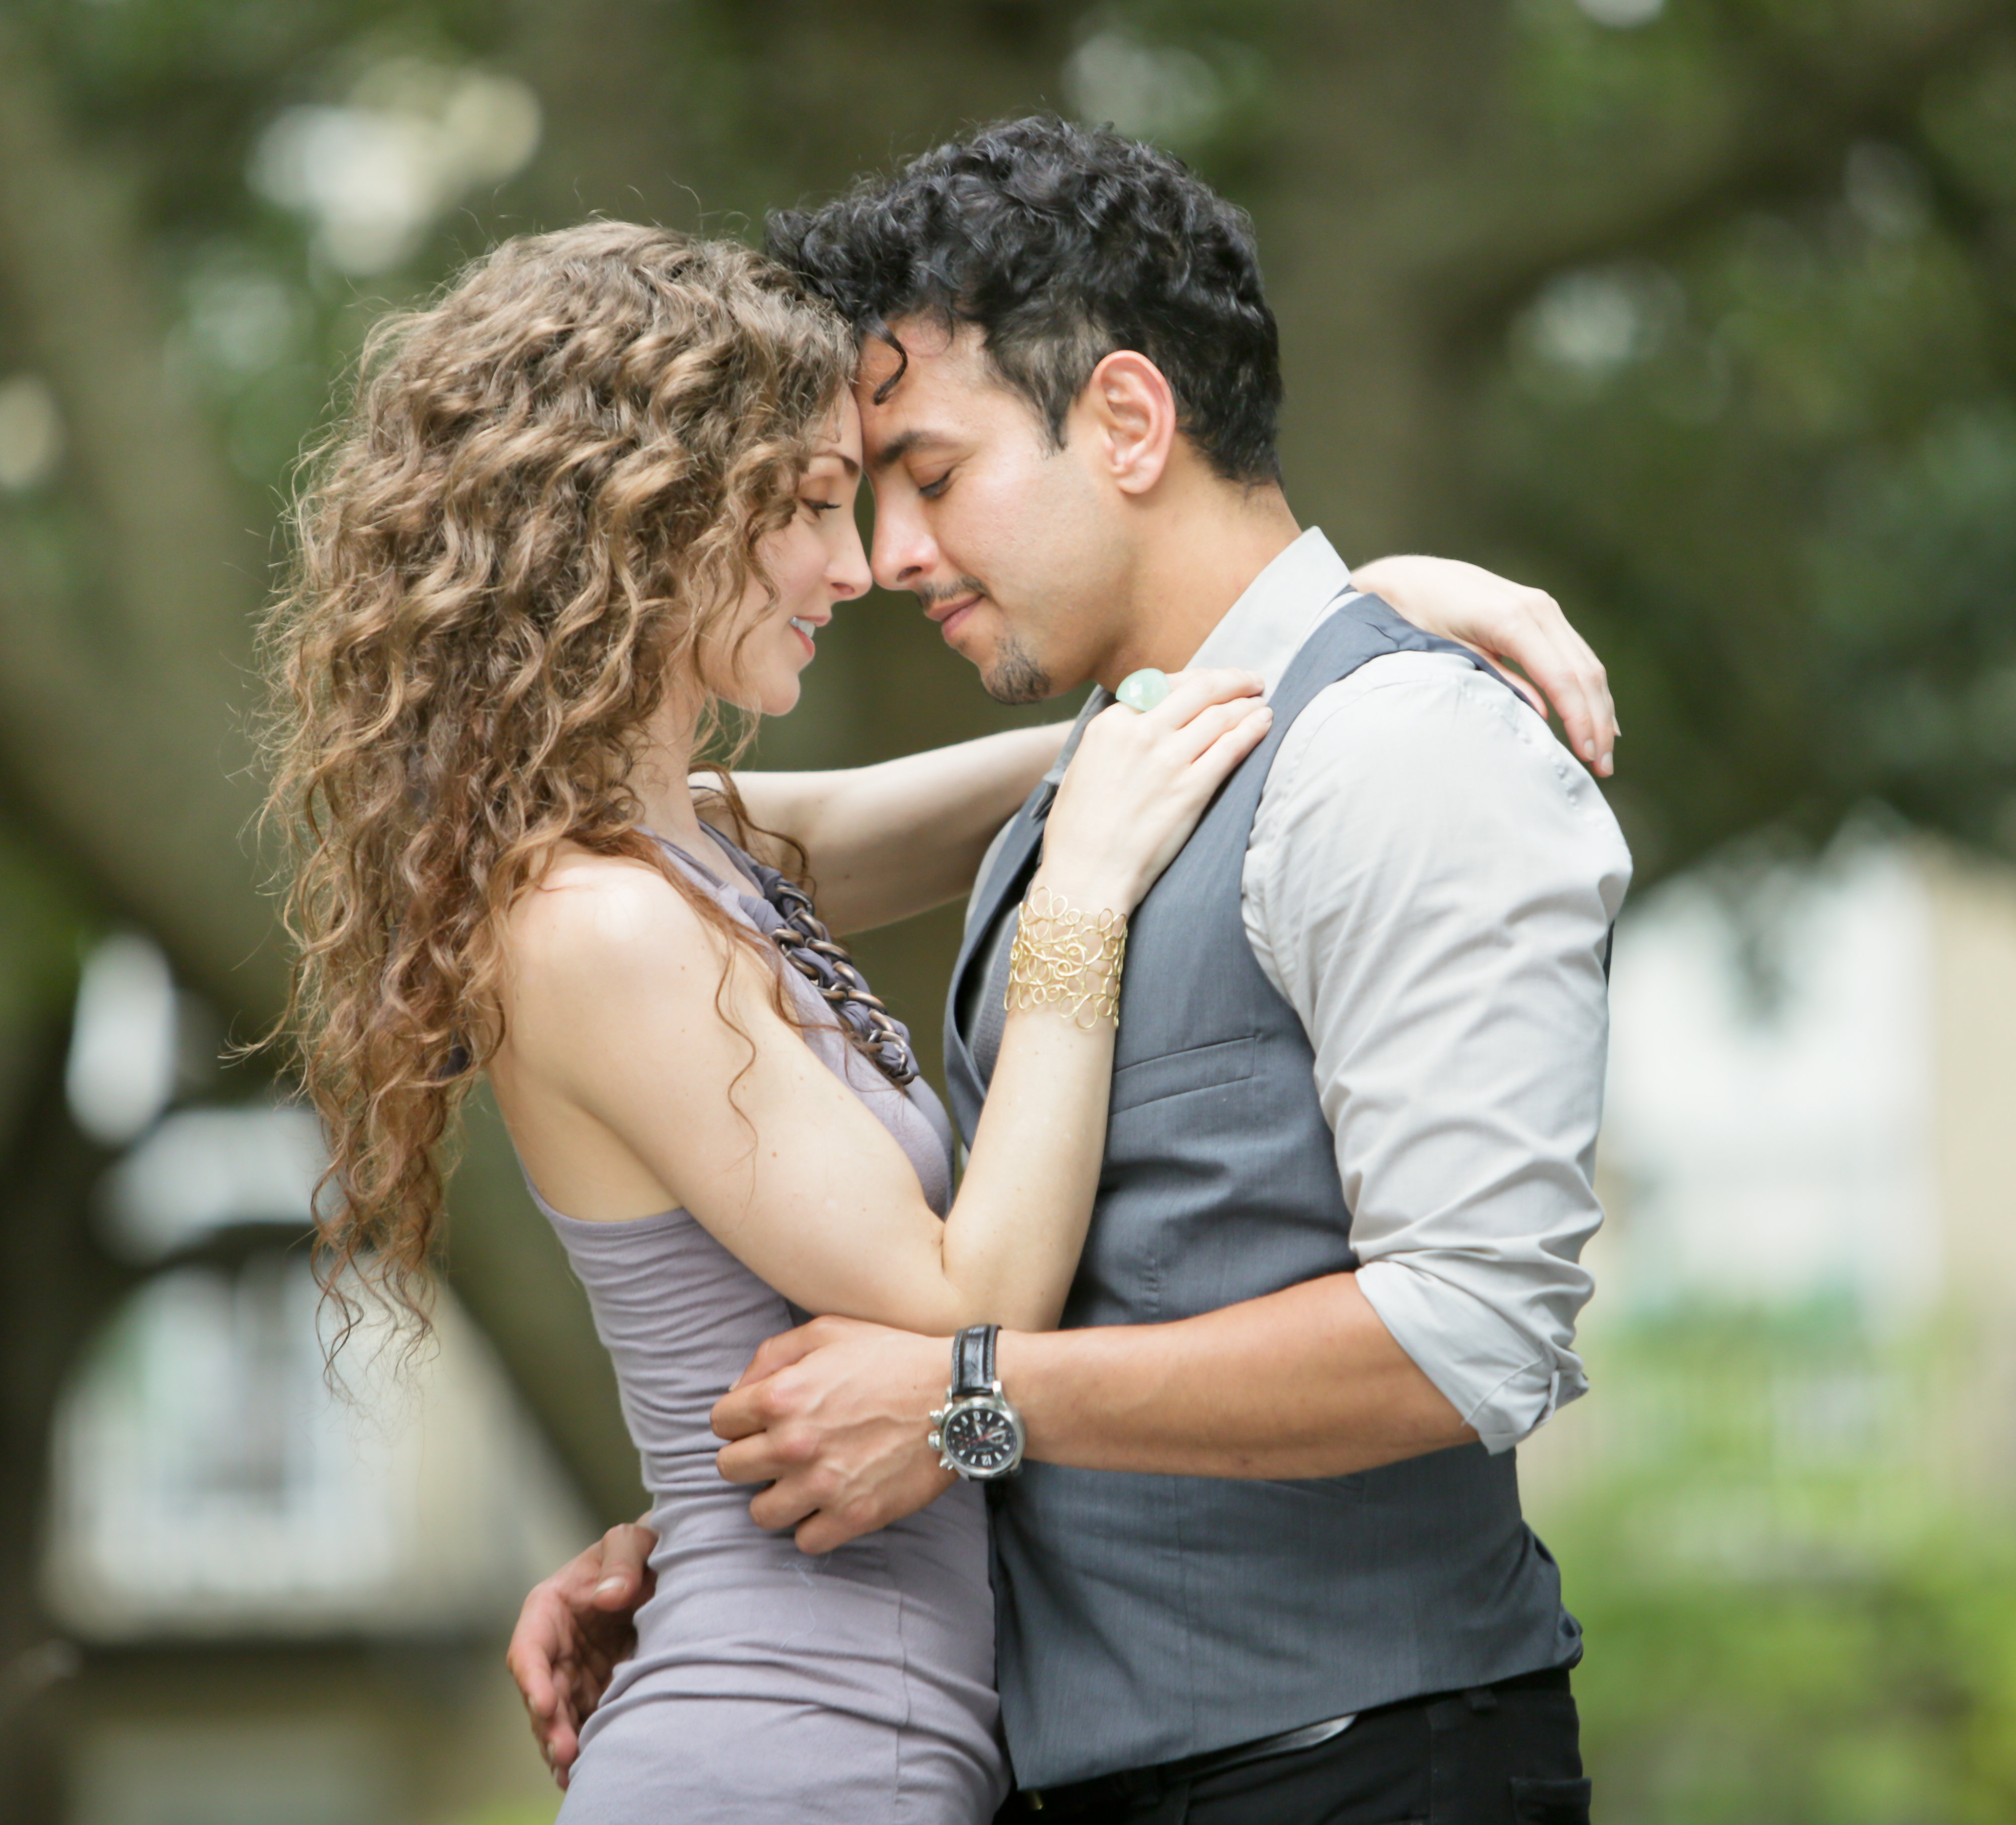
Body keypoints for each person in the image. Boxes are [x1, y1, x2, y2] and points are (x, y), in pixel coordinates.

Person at [509, 122, 1630, 1824]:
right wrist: (729, 1532)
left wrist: (964, 1406)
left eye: (932, 476)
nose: (885, 554)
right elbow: (1112, 1291)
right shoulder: (1096, 786)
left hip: (1361, 1777)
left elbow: (1466, 1332)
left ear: (1126, 420)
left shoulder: (1401, 752)